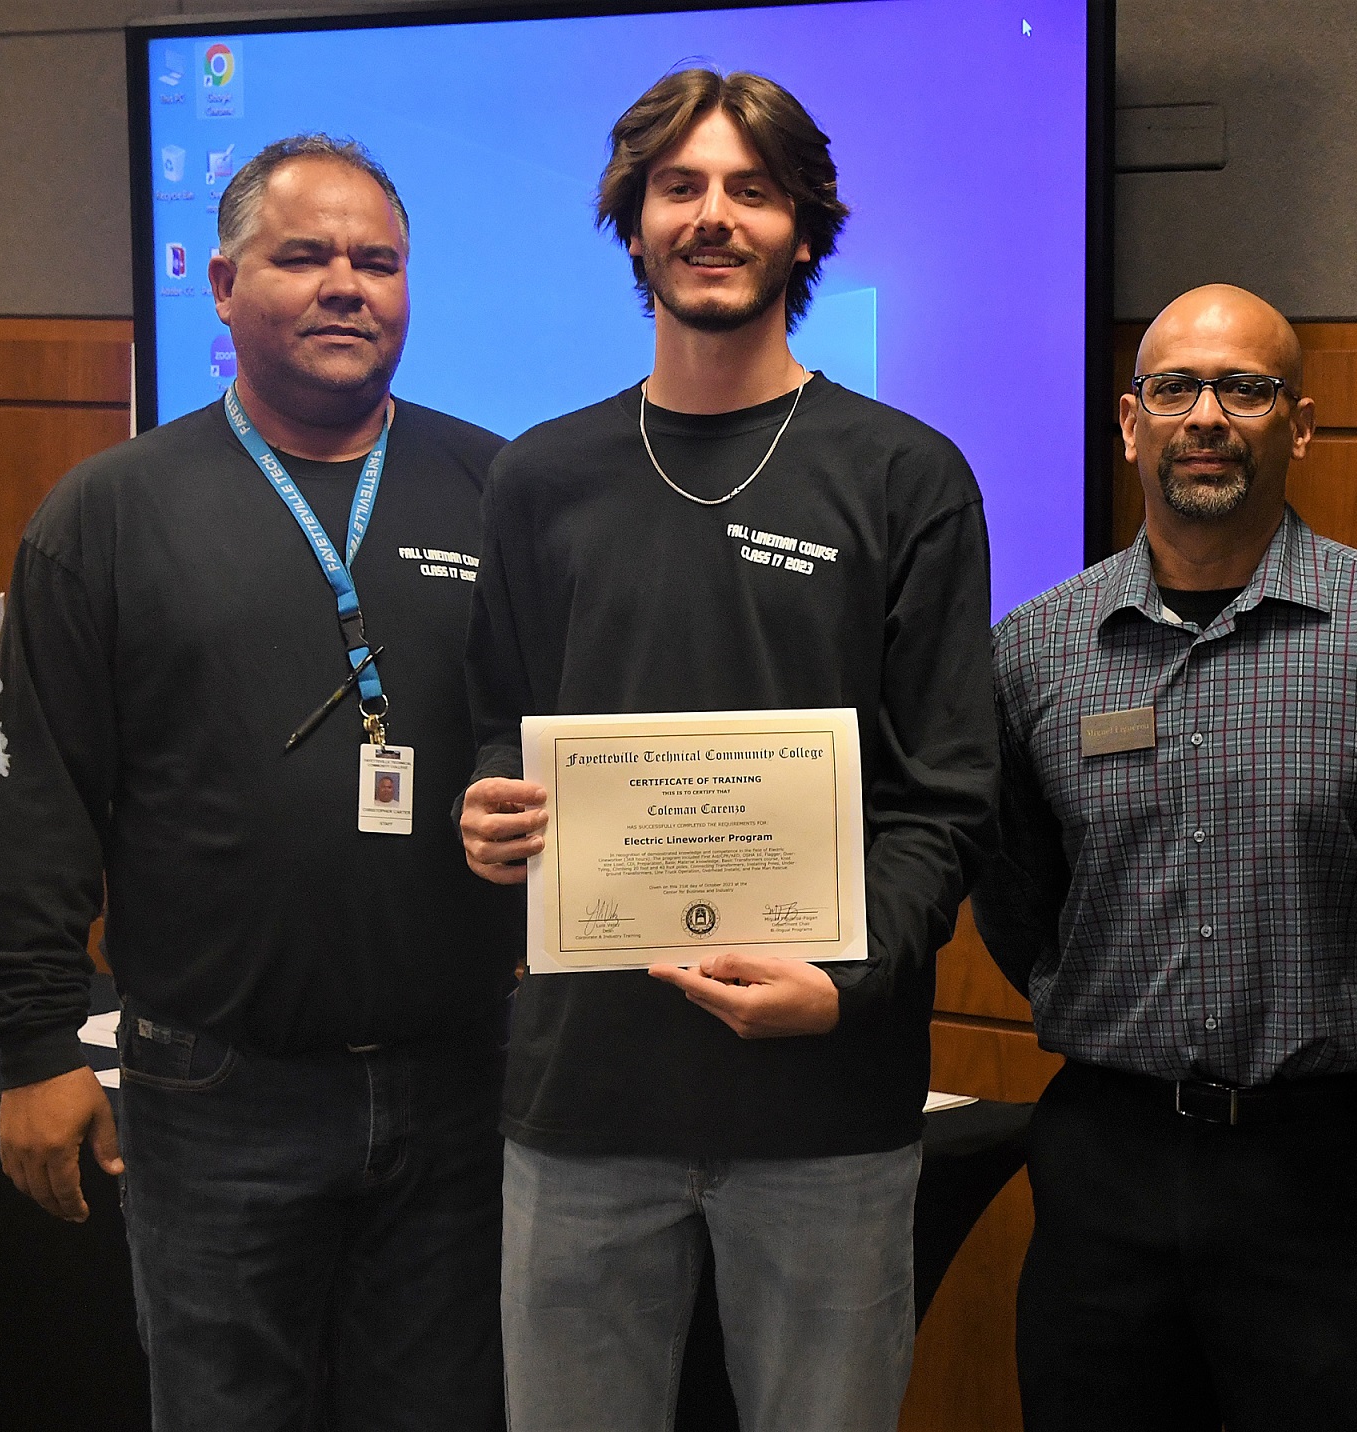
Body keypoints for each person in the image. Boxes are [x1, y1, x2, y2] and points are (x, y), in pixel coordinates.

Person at [455, 69, 995, 1432]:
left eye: (751, 190)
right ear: (630, 223)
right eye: (679, 187)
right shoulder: (540, 478)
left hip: (827, 1108)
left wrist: (847, 980)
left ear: (805, 231)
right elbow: (493, 725)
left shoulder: (905, 476)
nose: (713, 217)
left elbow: (946, 795)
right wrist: (487, 816)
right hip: (584, 1100)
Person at [0, 135, 516, 1430]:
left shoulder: (499, 488)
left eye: (376, 262)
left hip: (462, 1084)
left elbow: (535, 725)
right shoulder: (109, 513)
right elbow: (39, 791)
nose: (346, 286)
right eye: (303, 256)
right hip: (219, 1093)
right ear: (221, 283)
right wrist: (35, 1042)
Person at [972, 283, 1357, 1432]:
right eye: (1175, 388)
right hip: (1104, 1173)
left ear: (1299, 424)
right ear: (1131, 424)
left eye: (1246, 388)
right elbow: (1019, 901)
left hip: (1333, 1179)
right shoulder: (1031, 652)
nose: (1206, 414)